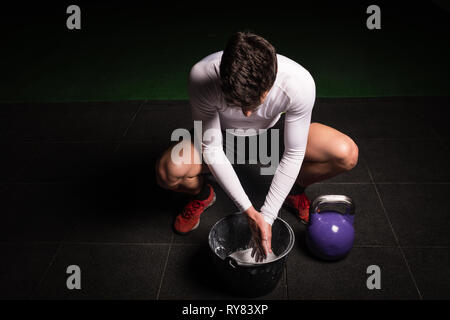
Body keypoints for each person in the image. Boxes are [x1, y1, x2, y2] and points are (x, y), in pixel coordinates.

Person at [155, 31, 358, 261]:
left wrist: (268, 215)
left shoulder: (299, 82)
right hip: (222, 137)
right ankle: (202, 195)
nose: (247, 113)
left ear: (272, 80)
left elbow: (293, 152)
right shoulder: (202, 76)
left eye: (254, 103)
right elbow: (211, 148)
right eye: (237, 103)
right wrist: (248, 211)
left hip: (273, 137)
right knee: (168, 172)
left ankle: (294, 190)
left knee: (346, 153)